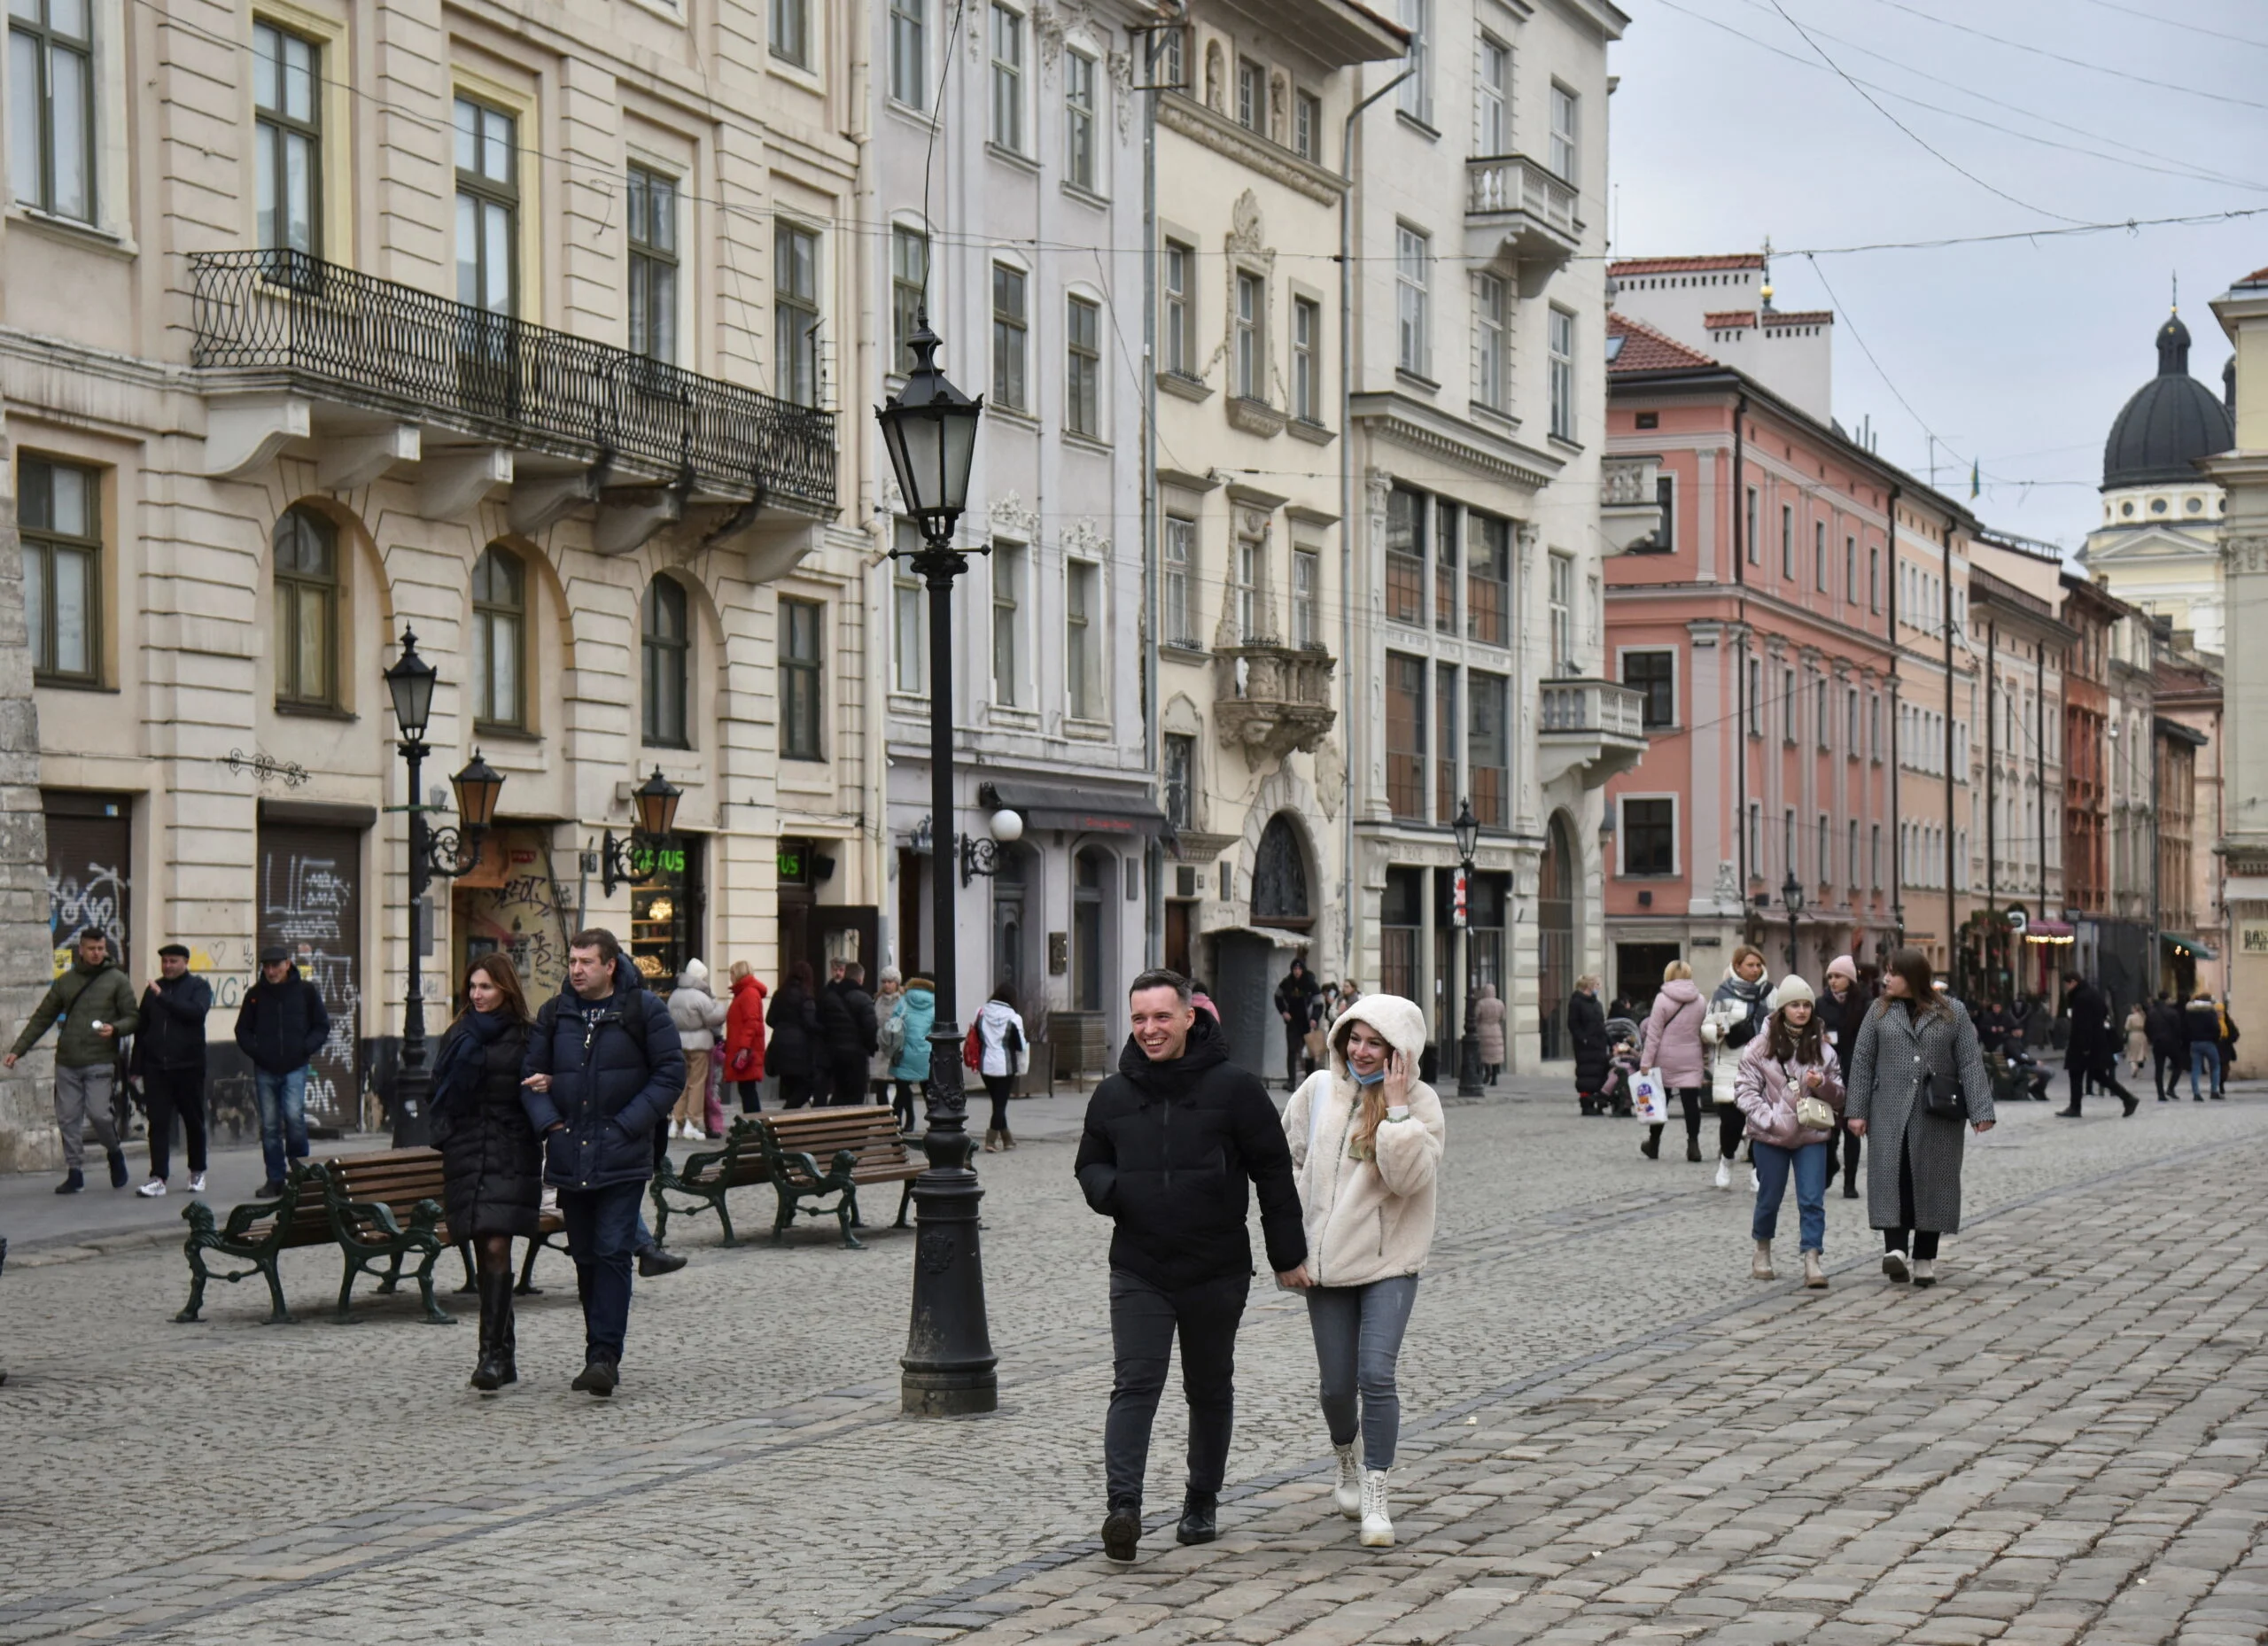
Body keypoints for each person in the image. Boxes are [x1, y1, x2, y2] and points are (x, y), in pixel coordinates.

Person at [1075, 969, 1306, 1561]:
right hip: (1140, 1266)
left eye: (1161, 1017)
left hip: (1216, 1267)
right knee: (1135, 1384)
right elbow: (1090, 1163)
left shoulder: (1236, 1089)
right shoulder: (1114, 1094)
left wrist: (1287, 1254)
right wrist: (1117, 1192)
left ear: (1188, 1017)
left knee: (1208, 1386)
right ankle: (1122, 1508)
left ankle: (1201, 1499)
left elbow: (1273, 1171)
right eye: (1139, 1019)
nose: (1149, 1030)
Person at [1281, 992, 1444, 1549]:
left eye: (1376, 1042)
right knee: (1334, 1388)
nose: (1362, 1050)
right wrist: (1290, 1247)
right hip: (1324, 1266)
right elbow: (1288, 1163)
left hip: (1390, 1262)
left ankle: (1377, 1489)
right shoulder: (1319, 1091)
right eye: (1355, 1038)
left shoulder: (1421, 1104)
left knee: (1375, 1374)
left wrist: (1396, 1109)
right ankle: (1346, 1458)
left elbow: (1407, 1180)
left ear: (1400, 1051)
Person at [519, 928, 684, 1397]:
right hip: (570, 1151)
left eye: (586, 961)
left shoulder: (643, 1009)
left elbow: (670, 1073)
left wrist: (628, 1124)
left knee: (613, 1250)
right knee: (587, 1254)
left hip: (623, 1152)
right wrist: (550, 1124)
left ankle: (604, 1357)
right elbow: (529, 1078)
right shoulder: (556, 1014)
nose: (575, 969)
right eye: (572, 960)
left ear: (610, 965)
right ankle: (597, 1347)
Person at [1845, 948, 1995, 1287]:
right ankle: (1895, 1251)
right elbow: (1863, 1060)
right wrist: (1856, 1111)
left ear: (1912, 977)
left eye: (1892, 973)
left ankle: (1925, 1257)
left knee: (1933, 1182)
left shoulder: (1951, 1012)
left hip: (1936, 1114)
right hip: (1889, 1112)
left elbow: (1970, 1061)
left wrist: (1981, 1111)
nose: (1886, 979)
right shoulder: (1879, 1012)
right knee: (1892, 1179)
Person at [431, 952, 540, 1393]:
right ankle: (505, 1354)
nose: (477, 995)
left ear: (505, 989)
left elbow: (540, 1089)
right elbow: (436, 1090)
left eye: (486, 987)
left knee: (496, 1244)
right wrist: (450, 1132)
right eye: (472, 987)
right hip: (467, 1153)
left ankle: (489, 1357)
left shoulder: (528, 1037)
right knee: (484, 1248)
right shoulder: (457, 1035)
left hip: (510, 1152)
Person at [6, 928, 140, 1194]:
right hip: (67, 1060)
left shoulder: (117, 980)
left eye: (101, 948)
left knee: (100, 1114)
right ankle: (75, 1171)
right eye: (92, 949)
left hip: (100, 1059)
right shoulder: (66, 981)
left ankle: (114, 1153)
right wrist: (18, 1050)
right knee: (68, 1118)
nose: (97, 953)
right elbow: (42, 1018)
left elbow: (133, 1017)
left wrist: (115, 1028)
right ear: (81, 949)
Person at [1735, 974, 1843, 1290]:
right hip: (1771, 1136)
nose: (1801, 1011)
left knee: (1812, 1199)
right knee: (1769, 1197)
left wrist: (1822, 1085)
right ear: (1782, 1009)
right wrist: (1768, 1119)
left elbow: (1840, 1095)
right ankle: (1762, 1250)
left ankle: (1812, 1258)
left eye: (1806, 1005)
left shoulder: (1824, 1051)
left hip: (1811, 1135)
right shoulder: (1759, 1048)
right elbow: (1744, 1091)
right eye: (1795, 1005)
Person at [233, 945, 329, 1198]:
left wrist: (305, 1048)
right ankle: (275, 1179)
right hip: (265, 1069)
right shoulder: (255, 995)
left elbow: (322, 1025)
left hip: (295, 1067)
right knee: (271, 1126)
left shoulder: (306, 992)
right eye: (266, 966)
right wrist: (257, 1051)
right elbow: (242, 1030)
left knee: (294, 1118)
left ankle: (301, 1175)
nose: (271, 971)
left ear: (288, 964)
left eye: (276, 965)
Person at [128, 944, 212, 1196]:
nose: (167, 966)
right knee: (159, 1123)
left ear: (185, 962)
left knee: (193, 1121)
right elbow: (142, 1029)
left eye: (173, 961)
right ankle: (158, 1177)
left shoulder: (198, 987)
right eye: (164, 961)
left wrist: (164, 997)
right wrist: (136, 1066)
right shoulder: (152, 992)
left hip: (188, 1067)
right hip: (157, 1068)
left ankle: (197, 1171)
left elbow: (196, 1013)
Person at [1701, 947, 1772, 1189]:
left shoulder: (1770, 993)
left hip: (1762, 1065)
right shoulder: (1723, 993)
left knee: (1758, 1122)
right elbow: (1707, 1026)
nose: (1755, 969)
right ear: (1738, 966)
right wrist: (1717, 1032)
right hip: (1732, 1064)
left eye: (1758, 965)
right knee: (1731, 1123)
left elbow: (1782, 1020)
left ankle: (1756, 1168)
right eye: (1750, 965)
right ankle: (1727, 1159)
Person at [1638, 959, 1708, 1163]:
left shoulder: (1662, 999)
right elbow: (1703, 1033)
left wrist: (1646, 1062)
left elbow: (1653, 1034)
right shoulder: (1701, 1000)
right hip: (1691, 1057)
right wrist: (1703, 1057)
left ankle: (1654, 1143)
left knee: (1660, 1102)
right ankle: (1693, 1146)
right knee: (1691, 1103)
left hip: (1665, 1058)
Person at [1818, 957, 1870, 1200]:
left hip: (1856, 1072)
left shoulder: (1863, 1005)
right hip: (1828, 1073)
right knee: (1828, 1129)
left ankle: (1850, 1183)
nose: (1833, 981)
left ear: (1849, 979)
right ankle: (1829, 1167)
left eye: (1837, 976)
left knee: (1852, 1129)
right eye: (1830, 977)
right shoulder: (1821, 1004)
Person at [664, 959, 727, 1140]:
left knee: (681, 1083)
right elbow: (713, 1018)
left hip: (678, 1042)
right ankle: (692, 1123)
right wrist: (721, 1007)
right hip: (699, 1044)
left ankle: (676, 1122)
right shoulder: (700, 997)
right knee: (697, 1083)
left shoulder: (675, 995)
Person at [2057, 974, 2137, 1117]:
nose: (2066, 988)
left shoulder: (2081, 998)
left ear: (2073, 982)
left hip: (2084, 1044)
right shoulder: (2092, 993)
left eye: (2067, 985)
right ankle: (2128, 1098)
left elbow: (2083, 1024)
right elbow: (2104, 1011)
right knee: (2098, 1075)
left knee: (2076, 1073)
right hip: (2096, 1042)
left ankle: (2075, 1107)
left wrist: (2085, 1046)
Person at [975, 985, 1028, 1152]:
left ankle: (1007, 1139)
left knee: (997, 1103)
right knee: (1000, 1104)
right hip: (1005, 1066)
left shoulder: (982, 1012)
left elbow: (977, 1036)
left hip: (985, 1064)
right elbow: (1019, 1046)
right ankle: (990, 1140)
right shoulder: (1014, 1018)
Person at [765, 961, 825, 1110]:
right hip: (799, 1050)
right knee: (806, 1087)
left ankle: (789, 1125)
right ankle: (786, 1116)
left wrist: (783, 1028)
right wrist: (825, 1029)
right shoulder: (806, 996)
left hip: (779, 1046)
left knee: (791, 1087)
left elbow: (770, 1019)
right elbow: (810, 1023)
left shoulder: (779, 994)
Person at [820, 961, 878, 1107]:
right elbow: (870, 1027)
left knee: (839, 1093)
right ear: (860, 979)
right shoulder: (863, 998)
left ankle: (834, 1125)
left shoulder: (830, 995)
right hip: (856, 1055)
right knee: (855, 1095)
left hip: (833, 1053)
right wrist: (871, 1047)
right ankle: (853, 1126)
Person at [889, 975, 936, 1135]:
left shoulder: (904, 1000)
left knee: (902, 1090)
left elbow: (893, 1022)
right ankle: (936, 1124)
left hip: (903, 1052)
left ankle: (896, 1125)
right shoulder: (935, 1003)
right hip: (926, 1054)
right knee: (928, 1091)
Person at [721, 961, 767, 1111]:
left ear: (738, 974)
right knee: (746, 1089)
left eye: (732, 974)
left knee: (748, 1090)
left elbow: (751, 1022)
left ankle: (755, 1125)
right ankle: (753, 1125)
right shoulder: (744, 992)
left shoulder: (748, 993)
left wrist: (743, 1047)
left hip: (747, 1051)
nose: (730, 977)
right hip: (745, 1048)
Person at [1275, 959, 1320, 1089]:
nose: (1297, 972)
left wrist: (1315, 1019)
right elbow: (1277, 996)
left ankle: (1310, 1081)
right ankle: (1291, 1081)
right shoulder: (1287, 982)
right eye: (1295, 969)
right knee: (1292, 1051)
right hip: (1293, 1022)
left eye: (1299, 969)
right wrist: (1283, 1011)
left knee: (1309, 1052)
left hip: (1307, 1022)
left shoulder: (1310, 983)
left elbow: (1319, 1003)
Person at [1568, 976, 1607, 1114]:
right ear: (1589, 986)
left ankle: (1597, 1101)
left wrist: (1609, 1041)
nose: (1599, 987)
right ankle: (1586, 1104)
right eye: (1597, 984)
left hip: (1598, 1045)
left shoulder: (1596, 1003)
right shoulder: (1577, 1002)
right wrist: (1583, 1039)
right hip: (1585, 1047)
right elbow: (1573, 1024)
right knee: (1586, 1075)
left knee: (1599, 1074)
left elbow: (1601, 1025)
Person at [872, 969, 905, 1106]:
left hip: (897, 1047)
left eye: (890, 982)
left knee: (901, 1087)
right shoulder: (878, 1000)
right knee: (880, 1085)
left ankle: (898, 1116)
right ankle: (884, 1117)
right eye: (884, 982)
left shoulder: (903, 1001)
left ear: (896, 983)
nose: (887, 985)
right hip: (881, 1048)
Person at [2184, 990, 2223, 1101]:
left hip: (2195, 1043)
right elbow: (2216, 1028)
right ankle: (2214, 1091)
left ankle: (2196, 1093)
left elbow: (2185, 1027)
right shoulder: (2210, 1012)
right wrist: (2215, 1039)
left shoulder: (2190, 1012)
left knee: (2196, 1069)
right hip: (2209, 1042)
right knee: (2215, 1066)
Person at [2146, 992, 2184, 1101]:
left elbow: (2146, 1028)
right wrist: (2178, 1040)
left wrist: (2152, 1038)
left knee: (2159, 1069)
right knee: (2178, 1065)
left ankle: (2160, 1094)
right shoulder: (2172, 1012)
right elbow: (2178, 1029)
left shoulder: (2151, 1012)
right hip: (2171, 1042)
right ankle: (2171, 1088)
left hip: (2157, 1043)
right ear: (2167, 999)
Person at [1475, 982, 1507, 1086]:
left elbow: (1476, 1016)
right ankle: (1494, 1077)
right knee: (1496, 1055)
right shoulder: (1500, 1003)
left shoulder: (1481, 1003)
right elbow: (1503, 1017)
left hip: (1483, 1030)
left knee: (1484, 1054)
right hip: (1496, 1029)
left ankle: (1487, 1071)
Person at [2216, 998, 2239, 1096]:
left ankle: (2221, 1083)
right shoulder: (2212, 1021)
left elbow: (2235, 1034)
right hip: (2216, 1048)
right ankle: (2216, 1086)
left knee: (2225, 1069)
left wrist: (2228, 1040)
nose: (2219, 1013)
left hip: (2226, 1048)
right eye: (2217, 1011)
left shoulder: (2228, 1021)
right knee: (2216, 1068)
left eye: (2220, 1011)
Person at [2124, 1002, 2150, 1082]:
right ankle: (2139, 1068)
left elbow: (2127, 1027)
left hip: (2133, 1035)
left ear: (2134, 1009)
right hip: (2142, 1035)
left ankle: (2134, 1067)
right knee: (2141, 1053)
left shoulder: (2130, 1017)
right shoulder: (2143, 1016)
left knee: (2132, 1053)